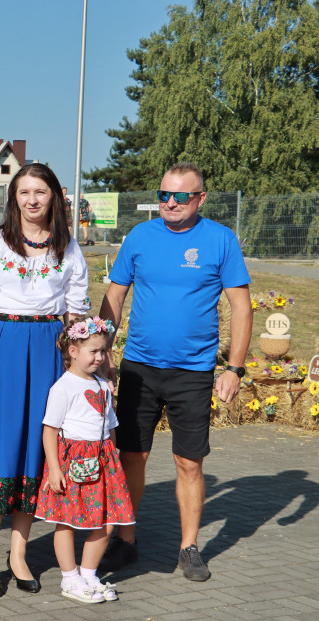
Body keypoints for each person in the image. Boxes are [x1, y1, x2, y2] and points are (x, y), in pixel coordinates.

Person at [98, 161, 252, 581]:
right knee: (132, 457)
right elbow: (114, 297)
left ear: (200, 198)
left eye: (180, 196)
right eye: (164, 194)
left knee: (189, 462)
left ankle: (188, 547)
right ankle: (125, 541)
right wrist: (100, 352)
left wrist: (234, 368)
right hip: (139, 370)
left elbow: (241, 307)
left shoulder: (220, 240)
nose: (169, 202)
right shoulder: (140, 236)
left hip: (193, 373)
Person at [0, 162, 89, 598]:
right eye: (24, 192)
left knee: (34, 452)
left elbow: (76, 316)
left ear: (54, 198)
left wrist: (82, 374)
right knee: (1, 451)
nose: (32, 200)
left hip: (48, 352)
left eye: (40, 192)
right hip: (2, 348)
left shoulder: (68, 248)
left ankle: (18, 554)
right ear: (14, 198)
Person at [35, 316, 134, 604]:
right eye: (93, 351)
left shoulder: (103, 385)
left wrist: (113, 454)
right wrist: (54, 468)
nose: (99, 357)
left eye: (103, 351)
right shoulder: (63, 388)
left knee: (108, 520)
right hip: (74, 461)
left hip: (104, 461)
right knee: (66, 521)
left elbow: (110, 425)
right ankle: (70, 578)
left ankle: (89, 574)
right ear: (73, 351)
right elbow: (49, 430)